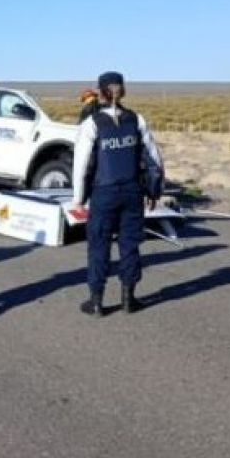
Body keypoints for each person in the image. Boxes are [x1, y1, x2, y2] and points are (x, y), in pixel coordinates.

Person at [70, 71, 164, 316]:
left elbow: (80, 164)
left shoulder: (92, 124)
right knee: (130, 245)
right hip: (132, 192)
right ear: (123, 90)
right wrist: (154, 191)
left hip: (104, 193)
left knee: (99, 245)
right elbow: (154, 157)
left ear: (100, 92)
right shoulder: (136, 120)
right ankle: (128, 299)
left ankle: (97, 301)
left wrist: (78, 199)